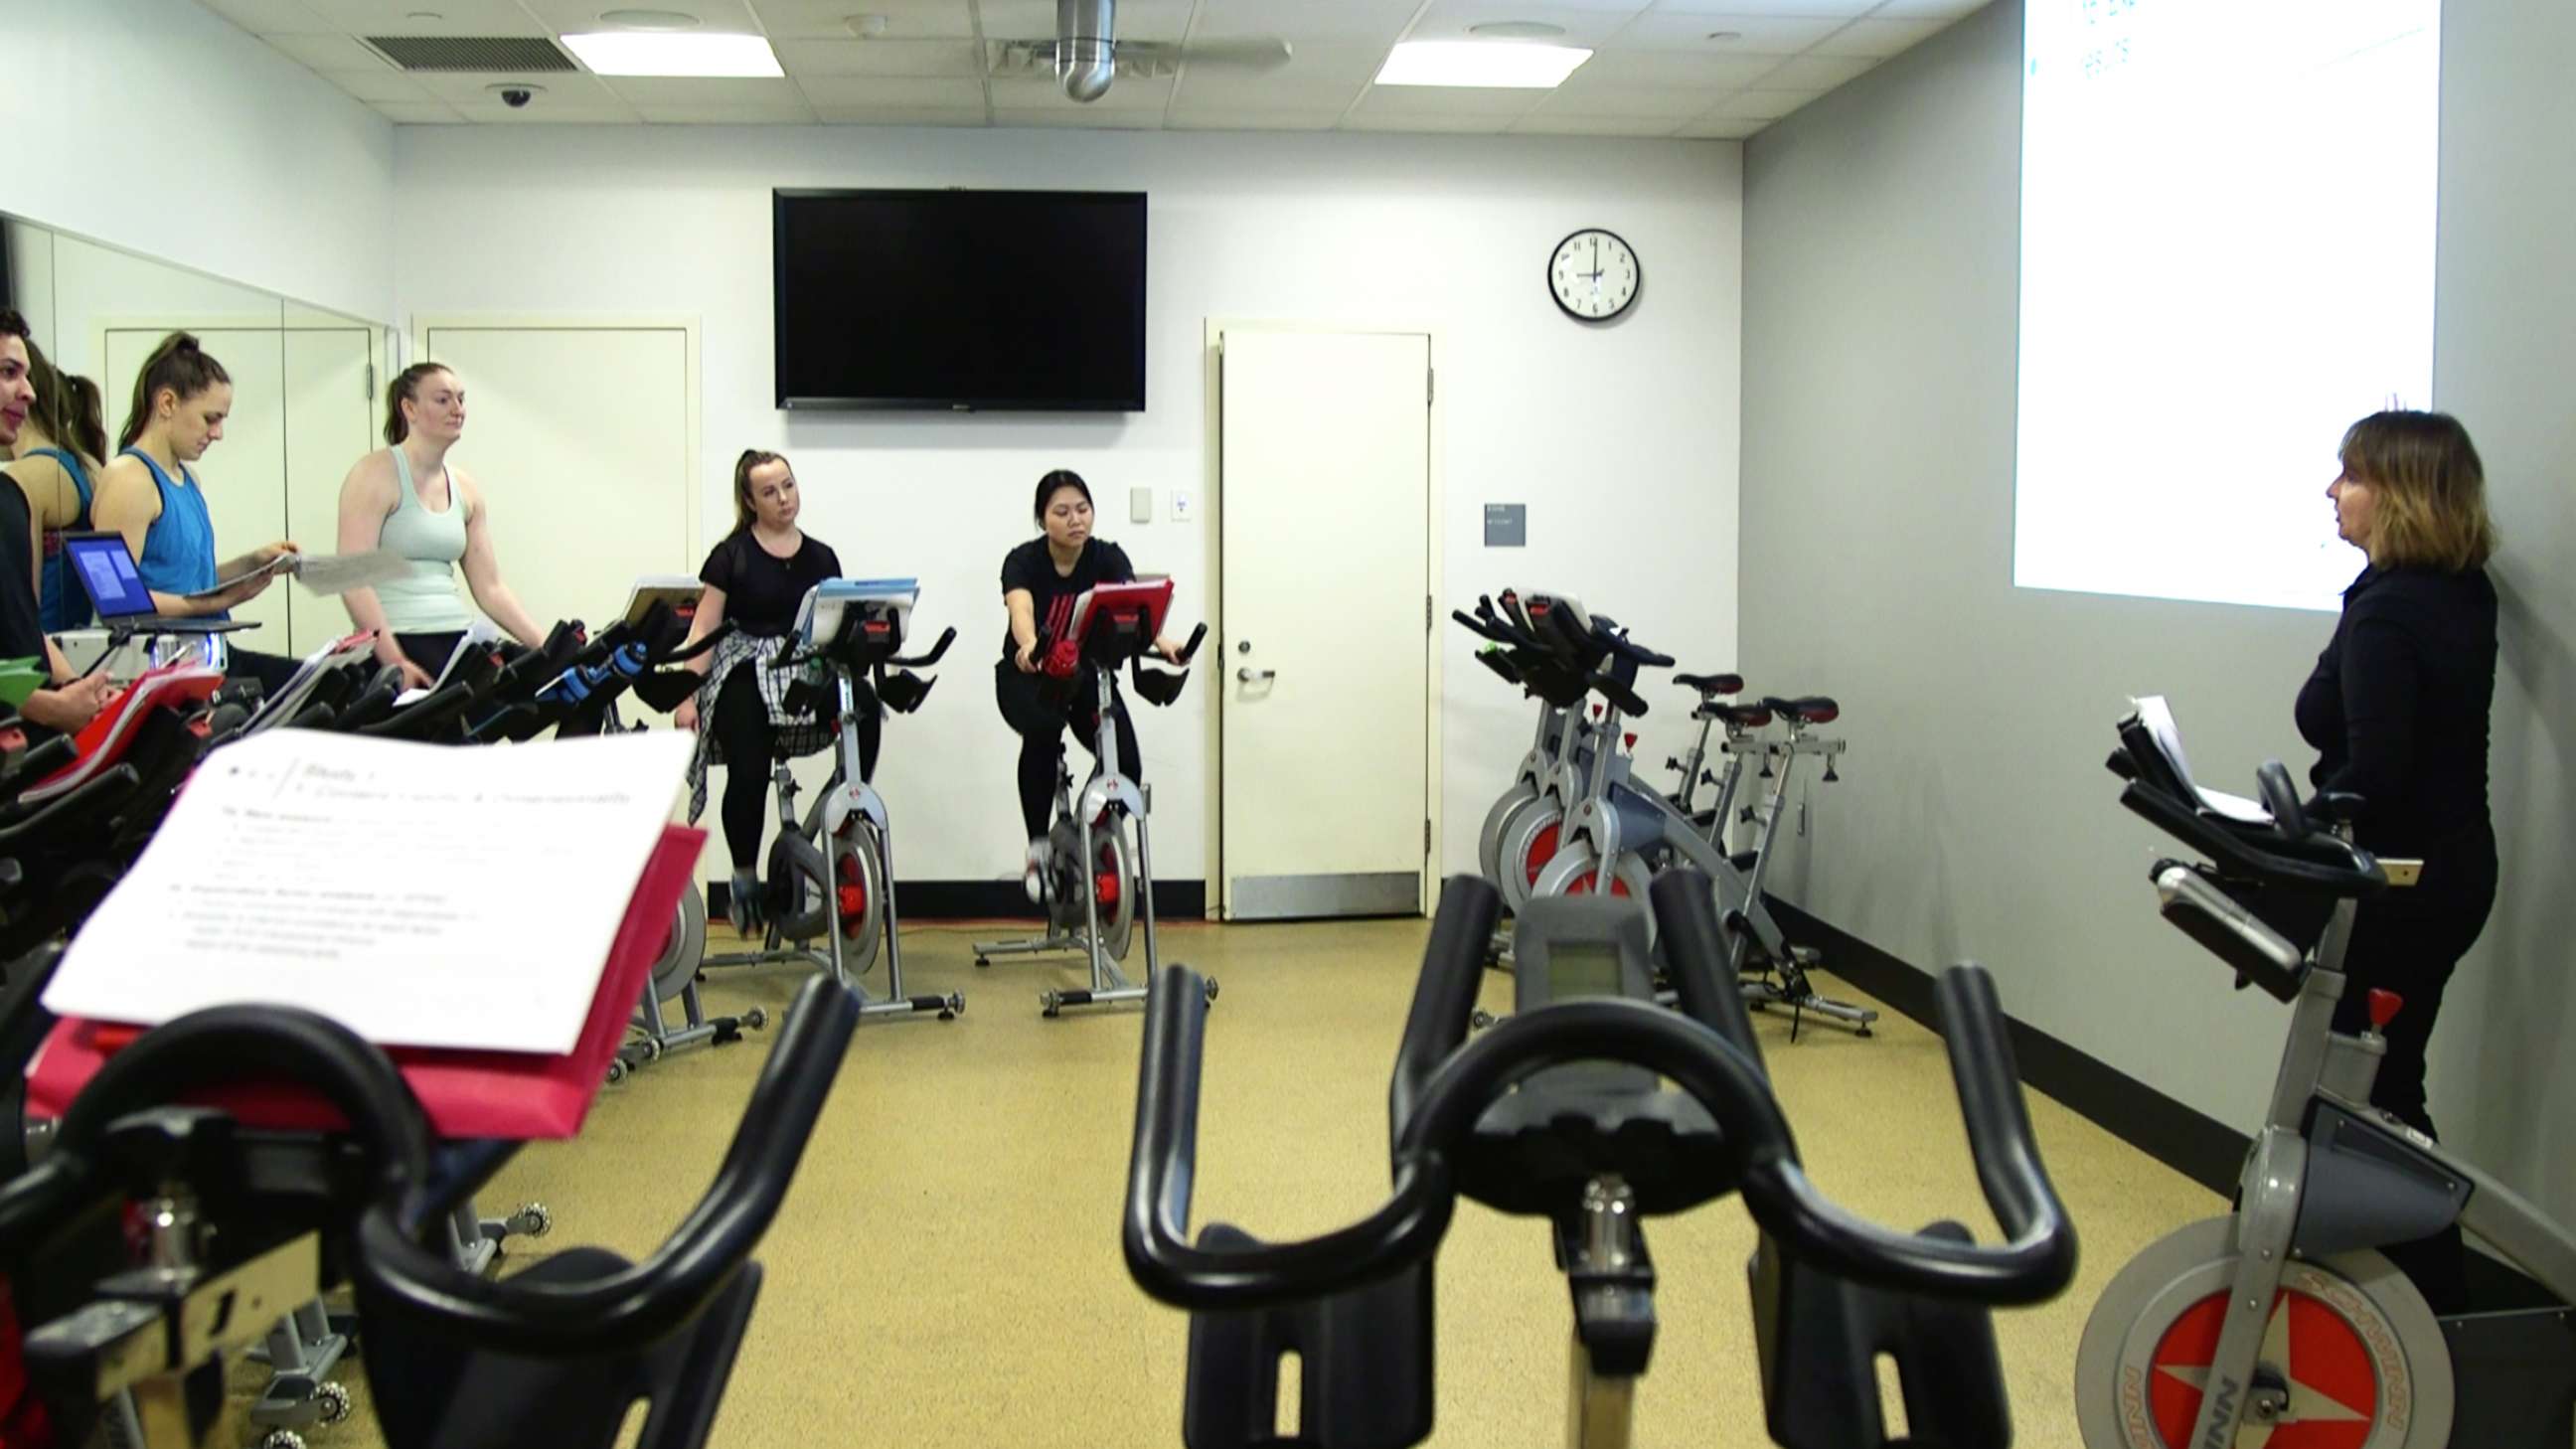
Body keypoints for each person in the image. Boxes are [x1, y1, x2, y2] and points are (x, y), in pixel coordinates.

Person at [2296, 408, 2499, 1312]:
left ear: (2400, 492)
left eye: (2349, 475)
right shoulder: (2460, 589)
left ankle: (2438, 1311)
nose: (2332, 491)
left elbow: (2371, 775)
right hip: (2457, 870)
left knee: (2369, 1090)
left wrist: (2291, 835)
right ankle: (2403, 1301)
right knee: (2382, 1080)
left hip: (2402, 884)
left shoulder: (2386, 612)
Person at [670, 450, 871, 934]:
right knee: (750, 762)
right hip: (744, 666)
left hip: (802, 664)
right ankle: (743, 877)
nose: (783, 498)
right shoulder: (730, 556)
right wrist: (686, 695)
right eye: (769, 491)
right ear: (749, 500)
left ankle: (843, 811)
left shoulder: (822, 556)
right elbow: (703, 628)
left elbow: (836, 625)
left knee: (863, 706)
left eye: (788, 485)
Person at [997, 469, 1182, 901]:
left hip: (1085, 675)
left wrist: (1163, 641)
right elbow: (1020, 612)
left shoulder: (1107, 558)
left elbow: (1135, 611)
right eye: (1061, 512)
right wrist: (1030, 647)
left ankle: (1081, 836)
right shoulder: (1023, 561)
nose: (1075, 519)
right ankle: (1039, 848)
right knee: (1042, 732)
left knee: (1127, 766)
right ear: (1043, 520)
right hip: (1028, 676)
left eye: (1082, 509)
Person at [89, 332, 299, 692]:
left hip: (206, 652)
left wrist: (252, 563)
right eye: (210, 419)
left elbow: (184, 581)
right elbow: (118, 602)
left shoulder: (187, 480)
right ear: (167, 403)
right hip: (165, 668)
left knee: (330, 681)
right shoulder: (130, 479)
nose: (217, 433)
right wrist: (216, 602)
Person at [334, 363, 547, 690]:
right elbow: (352, 580)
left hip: (457, 637)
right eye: (443, 400)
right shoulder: (374, 474)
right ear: (409, 408)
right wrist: (395, 662)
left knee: (570, 686)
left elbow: (490, 588)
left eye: (461, 399)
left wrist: (546, 648)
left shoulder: (466, 488)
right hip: (400, 637)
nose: (457, 409)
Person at [0, 309, 113, 734]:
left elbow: (24, 627)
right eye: (9, 372)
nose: (28, 392)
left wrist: (73, 685)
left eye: (27, 375)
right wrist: (46, 706)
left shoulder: (11, 497)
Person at [6, 339, 109, 631]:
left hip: (43, 658)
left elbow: (22, 605)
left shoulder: (26, 478)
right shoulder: (90, 466)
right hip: (78, 648)